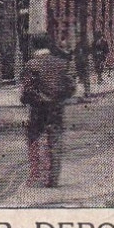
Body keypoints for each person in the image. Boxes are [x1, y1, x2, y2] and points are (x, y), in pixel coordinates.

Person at [20, 37, 76, 188]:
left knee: (33, 138)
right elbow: (71, 87)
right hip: (56, 108)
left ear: (34, 47)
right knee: (55, 140)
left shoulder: (32, 65)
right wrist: (59, 98)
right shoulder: (61, 63)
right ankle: (53, 177)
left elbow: (27, 90)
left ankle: (35, 174)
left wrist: (27, 100)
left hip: (38, 109)